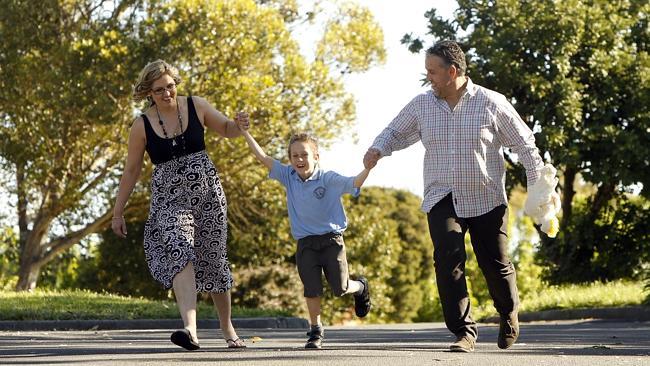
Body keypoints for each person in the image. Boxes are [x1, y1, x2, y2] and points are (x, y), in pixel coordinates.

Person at [364, 40, 546, 352]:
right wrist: (377, 148)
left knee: (496, 263)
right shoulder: (423, 104)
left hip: (486, 196)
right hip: (441, 195)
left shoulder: (491, 102)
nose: (428, 77)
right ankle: (464, 331)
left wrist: (539, 183)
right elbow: (395, 130)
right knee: (447, 258)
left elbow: (525, 143)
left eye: (432, 72)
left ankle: (508, 312)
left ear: (452, 71)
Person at [111, 59, 248, 350]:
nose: (167, 94)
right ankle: (190, 330)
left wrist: (239, 125)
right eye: (159, 90)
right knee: (179, 250)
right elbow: (132, 170)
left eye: (171, 87)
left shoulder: (196, 105)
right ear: (149, 91)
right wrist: (117, 212)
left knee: (213, 259)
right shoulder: (141, 125)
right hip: (169, 199)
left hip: (208, 194)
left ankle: (227, 327)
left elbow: (226, 128)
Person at [236, 122, 372, 349]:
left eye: (304, 155)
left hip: (331, 241)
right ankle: (315, 331)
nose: (299, 160)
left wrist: (368, 168)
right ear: (290, 158)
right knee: (311, 288)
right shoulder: (288, 176)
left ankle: (360, 287)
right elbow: (262, 157)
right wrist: (245, 131)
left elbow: (354, 183)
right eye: (294, 156)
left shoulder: (328, 178)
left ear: (316, 156)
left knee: (340, 288)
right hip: (305, 243)